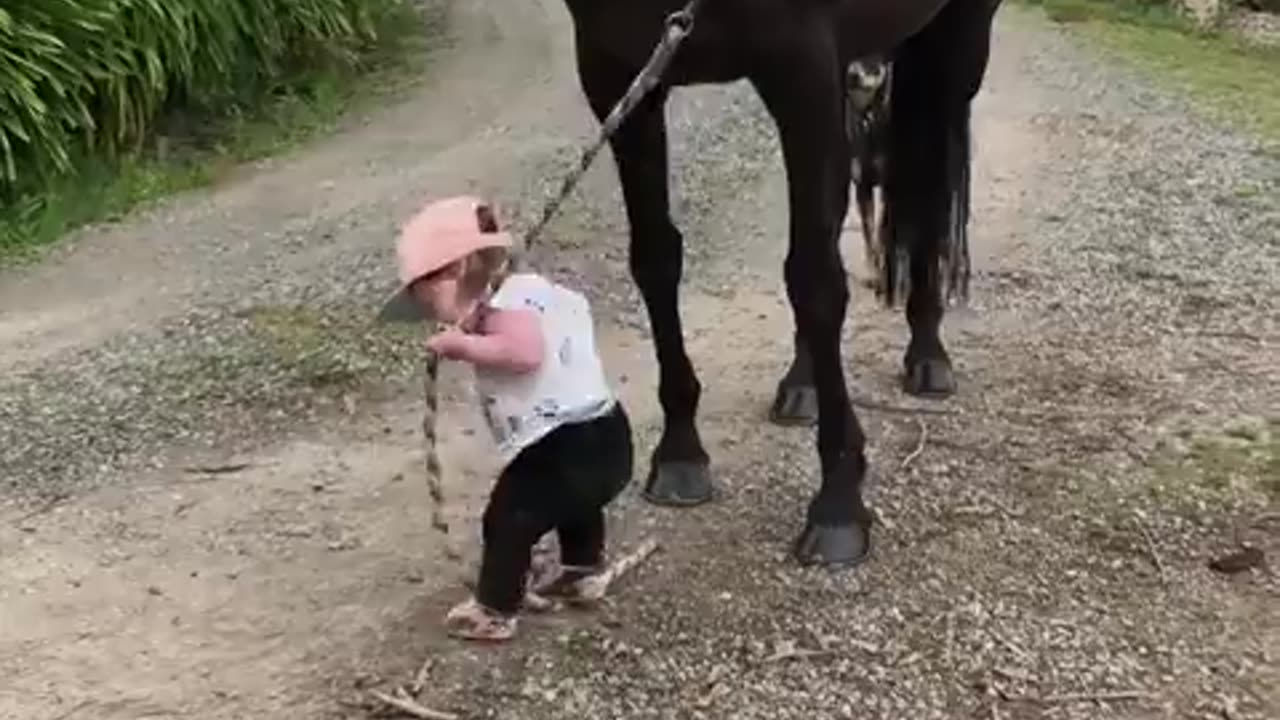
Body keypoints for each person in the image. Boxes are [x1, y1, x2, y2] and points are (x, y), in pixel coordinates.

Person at [379, 195, 634, 642]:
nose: (431, 316)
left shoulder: (509, 303)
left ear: (454, 271)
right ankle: (582, 569)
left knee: (508, 518)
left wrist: (463, 347)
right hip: (607, 431)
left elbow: (525, 353)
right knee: (577, 505)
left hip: (563, 443)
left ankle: (495, 609)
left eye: (428, 301)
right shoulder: (541, 293)